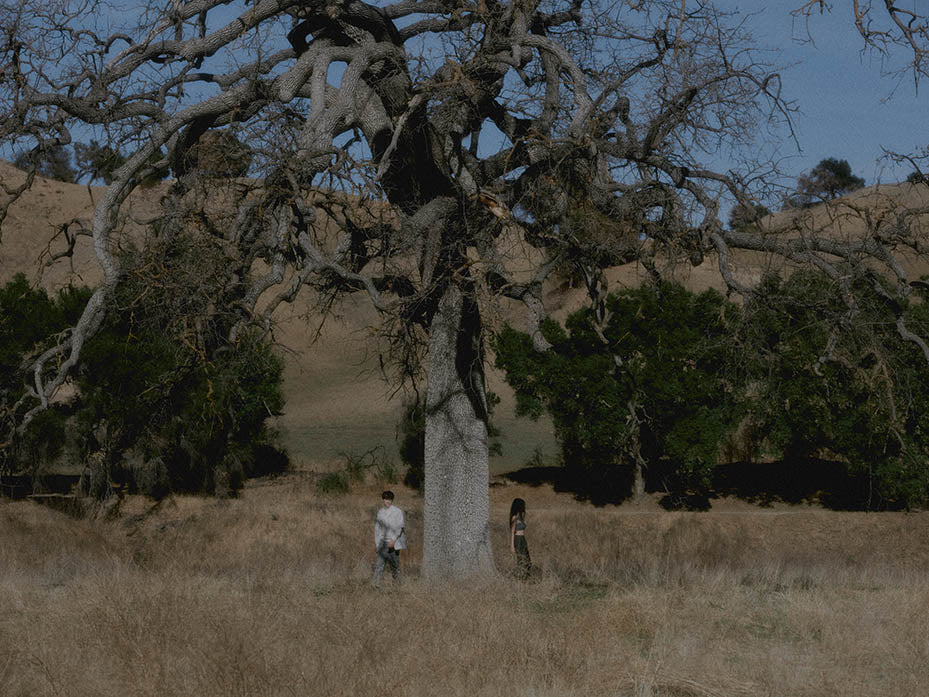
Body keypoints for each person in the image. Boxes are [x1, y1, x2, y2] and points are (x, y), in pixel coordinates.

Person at [372, 490, 406, 586]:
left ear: (392, 500)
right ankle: (375, 585)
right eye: (386, 499)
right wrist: (377, 543)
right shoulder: (380, 512)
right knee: (379, 564)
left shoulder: (397, 511)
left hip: (393, 543)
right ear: (383, 500)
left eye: (389, 499)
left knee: (394, 565)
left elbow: (400, 527)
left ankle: (399, 585)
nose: (388, 501)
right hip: (382, 542)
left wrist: (394, 540)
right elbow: (377, 529)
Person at [509, 497, 531, 579]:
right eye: (523, 506)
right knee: (521, 560)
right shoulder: (514, 517)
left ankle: (525, 576)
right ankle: (519, 577)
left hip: (522, 539)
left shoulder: (521, 516)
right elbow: (512, 531)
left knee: (528, 559)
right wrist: (511, 546)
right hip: (517, 539)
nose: (524, 507)